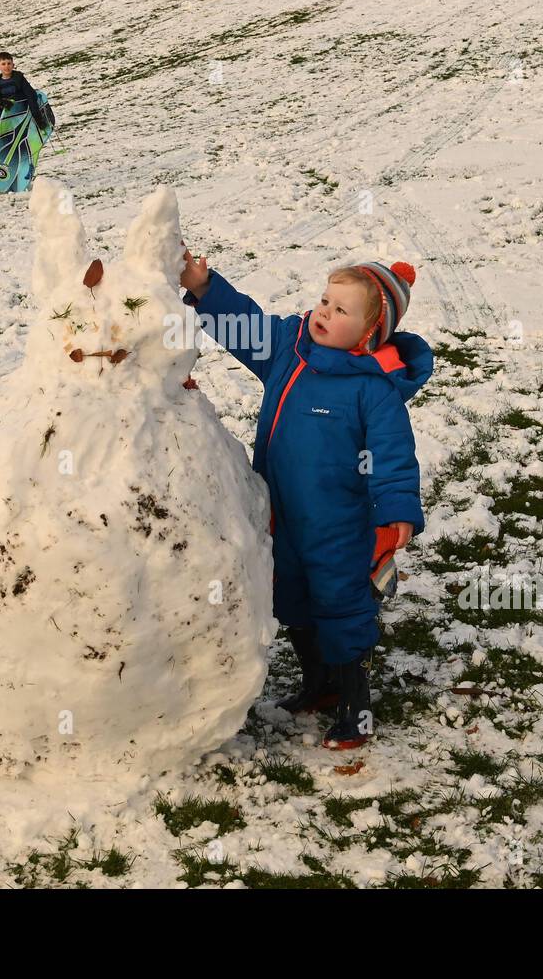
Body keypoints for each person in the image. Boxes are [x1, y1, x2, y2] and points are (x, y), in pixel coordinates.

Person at [178, 254, 432, 750]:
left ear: (368, 334)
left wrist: (398, 510)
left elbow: (391, 456)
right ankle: (320, 683)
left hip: (338, 524)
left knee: (342, 606)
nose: (324, 313)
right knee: (291, 597)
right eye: (324, 301)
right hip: (281, 511)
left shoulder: (372, 391)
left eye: (341, 311)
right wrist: (205, 287)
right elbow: (244, 326)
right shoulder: (289, 350)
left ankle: (355, 705)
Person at [0, 51, 50, 130]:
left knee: (30, 99)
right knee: (0, 116)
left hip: (22, 112)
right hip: (7, 117)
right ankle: (2, 133)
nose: (6, 66)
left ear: (13, 65)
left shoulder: (19, 78)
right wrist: (1, 103)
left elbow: (31, 95)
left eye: (9, 63)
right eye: (3, 64)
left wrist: (38, 118)